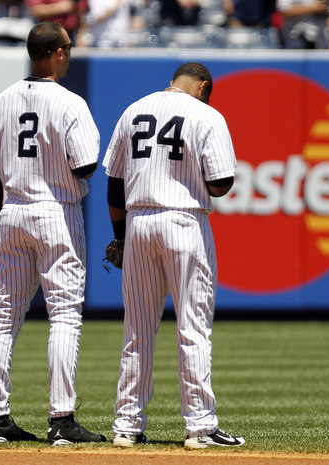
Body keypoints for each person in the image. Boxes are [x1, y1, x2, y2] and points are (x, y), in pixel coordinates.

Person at [0, 21, 105, 446]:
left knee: (5, 315)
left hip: (12, 211)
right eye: (68, 47)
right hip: (55, 211)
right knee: (64, 314)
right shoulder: (69, 102)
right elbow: (85, 165)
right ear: (58, 53)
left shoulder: (3, 99)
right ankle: (61, 420)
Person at [102, 62, 245, 449]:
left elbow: (114, 185)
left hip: (139, 222)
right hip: (183, 221)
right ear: (202, 86)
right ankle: (200, 427)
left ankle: (126, 426)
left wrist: (120, 236)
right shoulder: (206, 113)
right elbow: (220, 184)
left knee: (137, 331)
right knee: (193, 328)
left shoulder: (133, 109)